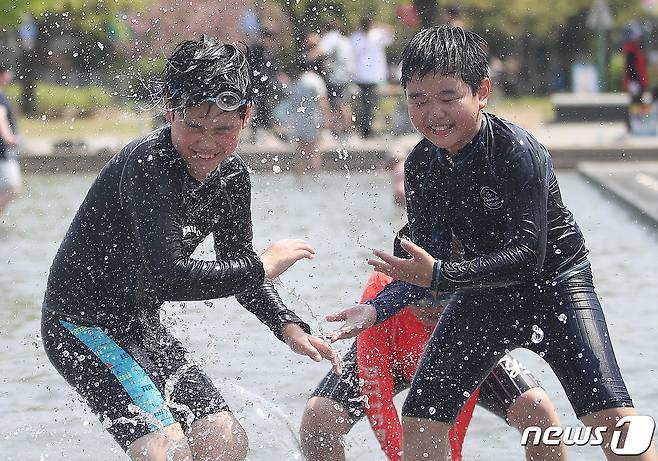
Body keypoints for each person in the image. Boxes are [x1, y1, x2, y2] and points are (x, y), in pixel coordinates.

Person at [327, 26, 658, 461]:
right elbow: (426, 263)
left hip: (556, 286)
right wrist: (377, 309)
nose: (433, 114)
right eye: (418, 99)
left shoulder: (517, 151)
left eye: (448, 97)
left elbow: (527, 255)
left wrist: (442, 276)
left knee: (611, 420)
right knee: (421, 418)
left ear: (482, 92)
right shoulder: (423, 163)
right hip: (481, 294)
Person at [41, 36, 341, 461]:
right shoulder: (149, 166)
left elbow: (236, 266)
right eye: (194, 126)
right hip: (80, 325)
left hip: (139, 325)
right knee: (167, 452)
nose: (207, 143)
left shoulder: (232, 177)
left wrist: (287, 326)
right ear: (170, 111)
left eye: (224, 129)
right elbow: (173, 277)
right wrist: (263, 267)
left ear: (246, 117)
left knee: (225, 441)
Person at [301, 233, 566, 461]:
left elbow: (457, 409)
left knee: (537, 410)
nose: (435, 308)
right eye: (423, 297)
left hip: (460, 354)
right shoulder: (377, 298)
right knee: (318, 419)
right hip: (393, 360)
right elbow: (376, 396)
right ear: (399, 289)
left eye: (447, 296)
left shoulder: (474, 292)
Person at [309, 19, 356, 138]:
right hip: (347, 75)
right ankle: (346, 130)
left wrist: (305, 58)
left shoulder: (331, 37)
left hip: (337, 76)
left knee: (339, 103)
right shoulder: (343, 38)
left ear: (325, 29)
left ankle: (344, 131)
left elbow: (320, 51)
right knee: (344, 103)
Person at [285, 57, 330, 174]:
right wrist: (327, 118)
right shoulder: (315, 80)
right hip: (312, 119)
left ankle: (299, 178)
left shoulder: (296, 80)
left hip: (297, 119)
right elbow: (322, 100)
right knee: (314, 149)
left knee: (300, 150)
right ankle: (313, 178)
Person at [350, 17, 393, 138]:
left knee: (370, 103)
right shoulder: (356, 37)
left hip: (373, 75)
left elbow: (390, 31)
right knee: (365, 103)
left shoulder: (376, 35)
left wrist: (376, 24)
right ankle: (365, 128)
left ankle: (366, 128)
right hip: (361, 76)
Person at [0, 64, 21, 222]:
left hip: (5, 152)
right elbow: (0, 117)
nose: (10, 76)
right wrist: (10, 138)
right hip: (3, 152)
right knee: (12, 187)